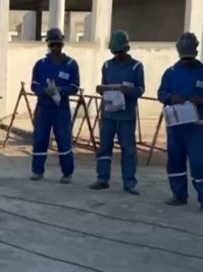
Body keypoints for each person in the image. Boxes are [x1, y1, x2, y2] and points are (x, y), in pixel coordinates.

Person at [89, 30, 144, 195]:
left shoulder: (136, 67)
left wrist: (129, 90)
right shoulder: (107, 65)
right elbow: (104, 84)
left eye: (120, 52)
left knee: (128, 149)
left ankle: (129, 182)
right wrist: (100, 89)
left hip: (126, 116)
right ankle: (102, 178)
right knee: (104, 148)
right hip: (108, 115)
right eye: (115, 52)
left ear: (127, 48)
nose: (117, 56)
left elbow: (141, 89)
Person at [157, 32, 203, 211]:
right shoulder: (170, 73)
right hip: (176, 125)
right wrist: (170, 97)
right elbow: (161, 93)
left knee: (199, 162)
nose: (187, 62)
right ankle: (179, 194)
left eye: (190, 59)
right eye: (184, 59)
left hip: (197, 127)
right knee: (175, 159)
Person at [30, 28, 80, 183]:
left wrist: (61, 90)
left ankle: (67, 173)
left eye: (58, 44)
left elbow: (74, 87)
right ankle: (37, 171)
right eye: (52, 45)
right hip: (44, 108)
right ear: (48, 45)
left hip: (61, 109)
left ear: (63, 44)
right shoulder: (40, 64)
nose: (56, 48)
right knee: (40, 139)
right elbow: (34, 84)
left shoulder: (71, 65)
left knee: (64, 139)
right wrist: (43, 90)